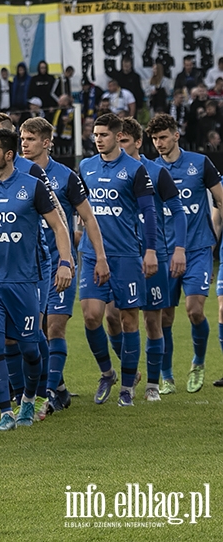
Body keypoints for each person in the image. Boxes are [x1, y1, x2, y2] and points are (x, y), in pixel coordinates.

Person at [0, 128, 73, 430]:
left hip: (25, 280)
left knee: (28, 346)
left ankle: (30, 399)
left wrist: (65, 262)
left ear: (9, 155)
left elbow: (59, 226)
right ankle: (5, 412)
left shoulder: (33, 186)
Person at [19, 117, 109, 415]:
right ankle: (57, 387)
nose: (24, 143)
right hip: (25, 267)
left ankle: (46, 396)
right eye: (22, 138)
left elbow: (89, 218)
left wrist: (99, 257)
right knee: (35, 333)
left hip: (60, 264)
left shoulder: (66, 177)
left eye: (30, 139)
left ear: (46, 142)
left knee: (55, 326)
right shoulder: (14, 173)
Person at [103, 117, 187, 402]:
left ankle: (153, 384)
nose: (120, 146)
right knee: (112, 316)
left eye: (125, 141)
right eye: (119, 140)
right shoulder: (109, 171)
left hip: (154, 256)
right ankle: (129, 371)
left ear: (137, 142)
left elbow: (177, 211)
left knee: (154, 320)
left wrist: (178, 248)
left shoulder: (156, 172)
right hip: (122, 255)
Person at [78, 113, 158, 408]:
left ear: (117, 135)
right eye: (95, 135)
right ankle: (107, 373)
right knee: (91, 316)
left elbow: (149, 212)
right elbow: (81, 206)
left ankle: (127, 387)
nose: (98, 140)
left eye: (104, 135)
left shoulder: (135, 169)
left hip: (125, 254)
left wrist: (149, 250)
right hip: (91, 253)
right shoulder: (86, 166)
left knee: (127, 318)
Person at [150, 113, 223, 393]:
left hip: (198, 249)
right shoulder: (152, 170)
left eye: (164, 137)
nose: (159, 143)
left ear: (176, 135)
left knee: (194, 311)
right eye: (155, 139)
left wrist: (216, 238)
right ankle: (167, 375)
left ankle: (198, 362)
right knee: (164, 317)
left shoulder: (199, 163)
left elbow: (220, 199)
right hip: (165, 252)